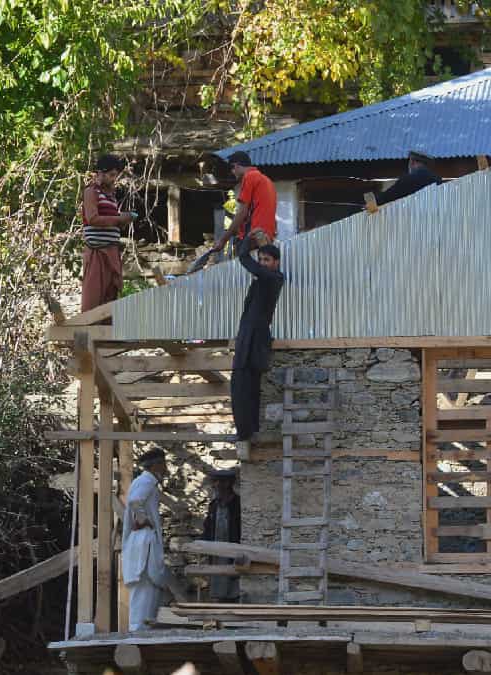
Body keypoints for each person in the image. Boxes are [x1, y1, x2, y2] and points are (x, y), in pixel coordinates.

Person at [230, 235, 284, 441]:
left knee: (244, 386)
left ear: (275, 263)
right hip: (250, 337)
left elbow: (244, 258)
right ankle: (248, 430)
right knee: (245, 386)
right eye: (261, 259)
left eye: (266, 260)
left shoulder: (274, 278)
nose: (262, 263)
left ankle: (245, 431)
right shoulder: (264, 279)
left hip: (256, 339)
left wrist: (248, 239)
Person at [122, 447, 169, 631]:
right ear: (156, 465)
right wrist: (143, 519)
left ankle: (142, 632)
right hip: (144, 543)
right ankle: (138, 634)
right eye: (163, 463)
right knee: (144, 592)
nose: (165, 468)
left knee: (147, 595)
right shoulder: (146, 481)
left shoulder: (144, 481)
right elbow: (135, 501)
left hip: (144, 542)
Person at [81, 154, 134, 312]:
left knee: (110, 296)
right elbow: (92, 218)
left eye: (115, 176)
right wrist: (119, 218)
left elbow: (110, 220)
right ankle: (89, 332)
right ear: (101, 173)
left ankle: (106, 335)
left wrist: (124, 220)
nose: (113, 179)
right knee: (93, 297)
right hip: (97, 252)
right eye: (111, 175)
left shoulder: (111, 196)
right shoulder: (91, 192)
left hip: (111, 251)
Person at [214, 150, 277, 254]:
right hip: (267, 236)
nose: (232, 172)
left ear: (237, 165)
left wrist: (223, 240)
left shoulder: (249, 177)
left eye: (232, 168)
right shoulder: (267, 180)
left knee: (242, 260)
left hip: (254, 236)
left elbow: (242, 212)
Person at [201, 468, 241, 602]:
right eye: (216, 482)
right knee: (217, 583)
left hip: (232, 551)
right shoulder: (213, 505)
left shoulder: (237, 504)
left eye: (221, 482)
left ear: (229, 484)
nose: (217, 485)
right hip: (216, 552)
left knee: (232, 584)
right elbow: (207, 528)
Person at [375, 150, 443, 206]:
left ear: (412, 162)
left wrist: (374, 201)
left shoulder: (408, 179)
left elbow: (388, 196)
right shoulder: (437, 180)